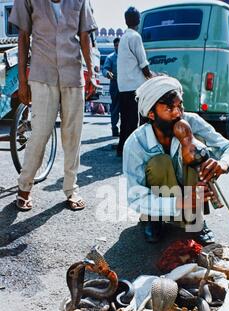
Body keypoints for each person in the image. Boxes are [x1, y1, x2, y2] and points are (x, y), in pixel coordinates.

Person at [123, 76, 229, 244]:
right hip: (160, 200)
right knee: (160, 163)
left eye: (180, 106)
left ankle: (194, 219)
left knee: (196, 145)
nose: (178, 113)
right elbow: (134, 197)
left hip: (187, 191)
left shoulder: (190, 121)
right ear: (151, 114)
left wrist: (224, 164)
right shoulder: (136, 143)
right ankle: (153, 219)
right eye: (170, 109)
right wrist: (180, 202)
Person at [9, 0, 97, 211]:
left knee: (73, 135)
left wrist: (92, 72)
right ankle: (24, 187)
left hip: (73, 74)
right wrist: (22, 81)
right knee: (39, 134)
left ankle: (71, 188)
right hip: (42, 74)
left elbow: (85, 36)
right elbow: (23, 37)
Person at [116, 7, 152, 157]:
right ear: (138, 20)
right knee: (135, 121)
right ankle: (132, 151)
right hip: (135, 87)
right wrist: (151, 77)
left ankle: (121, 149)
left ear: (126, 21)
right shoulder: (135, 37)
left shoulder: (124, 37)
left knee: (125, 120)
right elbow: (143, 63)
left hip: (123, 86)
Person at [103, 37, 120, 137]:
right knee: (115, 108)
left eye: (119, 45)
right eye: (116, 45)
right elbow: (104, 69)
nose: (117, 47)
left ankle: (125, 130)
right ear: (114, 46)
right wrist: (107, 73)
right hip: (115, 84)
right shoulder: (110, 57)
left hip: (126, 85)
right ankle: (114, 128)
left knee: (126, 109)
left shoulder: (127, 56)